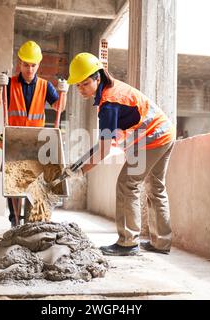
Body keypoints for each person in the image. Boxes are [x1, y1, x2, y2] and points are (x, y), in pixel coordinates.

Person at [64, 53, 176, 256]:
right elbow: (104, 142)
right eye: (78, 85)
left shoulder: (109, 104)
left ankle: (128, 242)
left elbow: (105, 150)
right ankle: (161, 242)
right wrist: (79, 164)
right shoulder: (110, 91)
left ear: (98, 78)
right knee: (155, 186)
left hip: (152, 138)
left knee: (127, 184)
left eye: (85, 83)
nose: (81, 89)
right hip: (165, 132)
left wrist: (81, 172)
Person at [0, 40, 69, 227]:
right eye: (26, 65)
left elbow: (59, 107)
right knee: (12, 182)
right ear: (20, 63)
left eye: (33, 65)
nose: (29, 69)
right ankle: (14, 221)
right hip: (14, 139)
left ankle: (34, 218)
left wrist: (63, 92)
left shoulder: (45, 86)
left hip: (36, 141)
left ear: (38, 65)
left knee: (35, 180)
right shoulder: (10, 84)